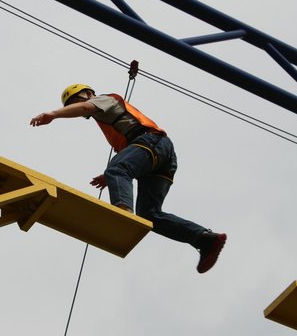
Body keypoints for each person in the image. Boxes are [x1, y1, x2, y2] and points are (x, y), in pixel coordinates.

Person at [29, 84, 227, 273]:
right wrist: (110, 176)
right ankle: (204, 239)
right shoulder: (108, 120)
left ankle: (122, 211)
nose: (74, 106)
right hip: (158, 154)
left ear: (87, 94)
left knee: (116, 169)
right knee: (149, 215)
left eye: (74, 101)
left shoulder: (104, 100)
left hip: (152, 142)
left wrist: (53, 114)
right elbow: (131, 156)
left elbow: (83, 107)